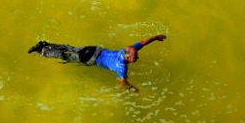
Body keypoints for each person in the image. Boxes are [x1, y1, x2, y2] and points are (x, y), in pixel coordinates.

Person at [28, 34, 167, 92]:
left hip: (94, 49)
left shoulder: (127, 50)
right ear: (128, 57)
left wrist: (155, 38)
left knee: (71, 48)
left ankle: (46, 44)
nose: (137, 58)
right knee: (66, 56)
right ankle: (44, 52)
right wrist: (133, 90)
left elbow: (142, 43)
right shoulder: (121, 66)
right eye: (135, 57)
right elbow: (121, 82)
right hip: (91, 59)